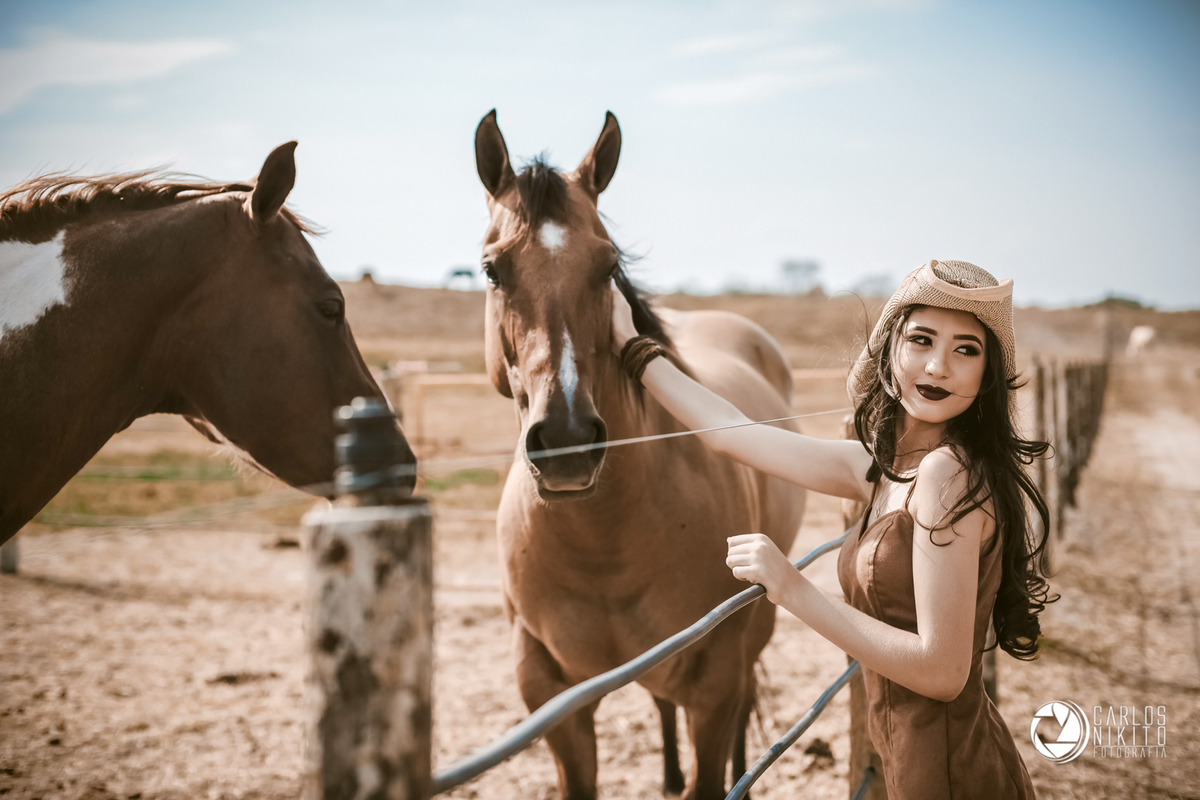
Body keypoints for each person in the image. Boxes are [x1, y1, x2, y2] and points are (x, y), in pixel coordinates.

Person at [610, 259, 1054, 799]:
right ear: (890, 353)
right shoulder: (882, 470)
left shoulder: (947, 474)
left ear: (986, 376)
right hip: (920, 765)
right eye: (921, 340)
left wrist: (790, 587)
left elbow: (942, 672)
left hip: (952, 776)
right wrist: (632, 346)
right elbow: (730, 433)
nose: (938, 366)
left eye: (966, 350)